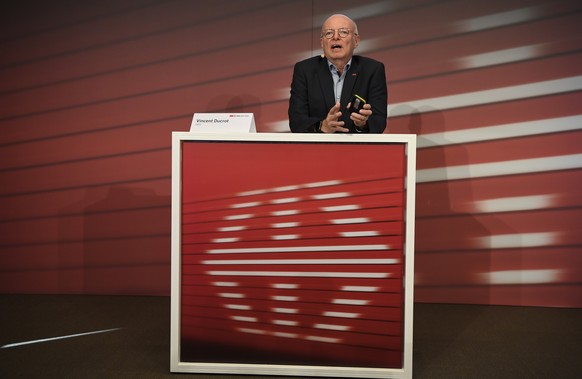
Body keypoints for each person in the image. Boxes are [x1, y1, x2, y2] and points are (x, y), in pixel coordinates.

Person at [288, 14, 387, 133]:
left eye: (343, 32)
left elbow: (379, 121)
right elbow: (297, 122)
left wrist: (363, 124)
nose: (335, 37)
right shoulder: (305, 70)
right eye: (329, 33)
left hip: (357, 148)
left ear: (356, 41)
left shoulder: (372, 70)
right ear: (321, 42)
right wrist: (322, 126)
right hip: (316, 148)